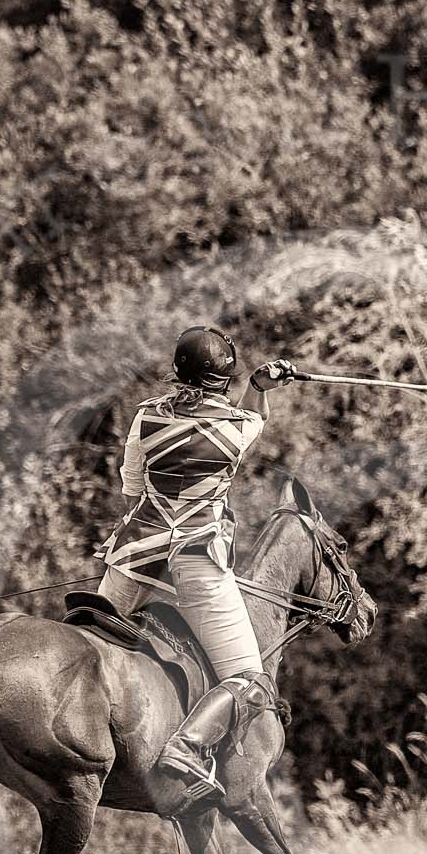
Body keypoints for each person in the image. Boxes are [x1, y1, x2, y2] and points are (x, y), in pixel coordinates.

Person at [96, 325, 296, 800]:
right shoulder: (235, 429)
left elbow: (130, 488)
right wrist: (260, 386)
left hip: (132, 558)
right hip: (196, 565)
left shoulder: (144, 417)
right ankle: (186, 746)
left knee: (80, 645)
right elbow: (255, 415)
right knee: (251, 681)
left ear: (177, 371)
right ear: (223, 381)